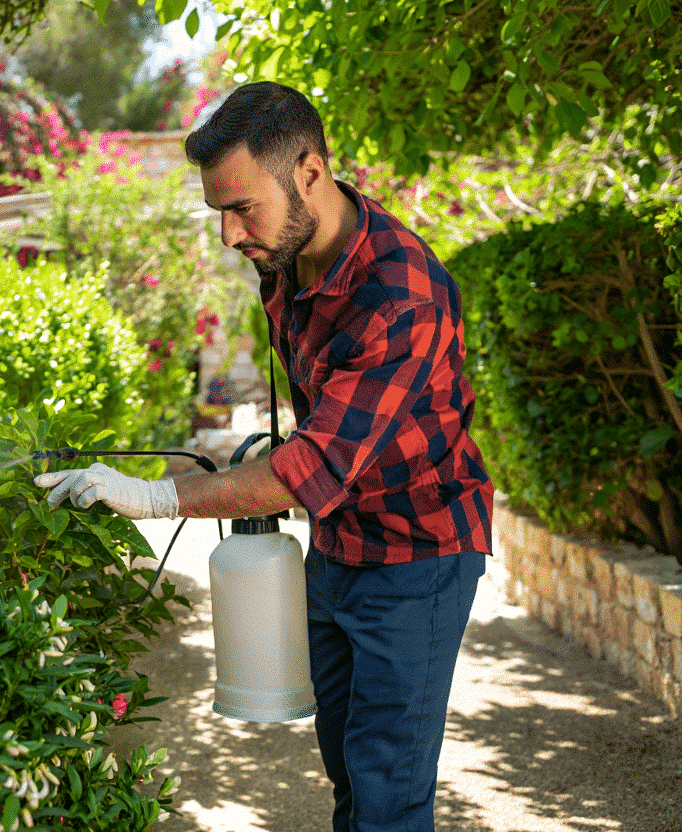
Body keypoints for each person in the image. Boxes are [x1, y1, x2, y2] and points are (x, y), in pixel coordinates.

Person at [34, 81, 494, 832]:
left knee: (387, 786)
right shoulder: (285, 259)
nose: (229, 235)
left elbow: (309, 469)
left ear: (309, 172)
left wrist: (155, 497)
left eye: (242, 207)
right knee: (346, 765)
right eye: (218, 211)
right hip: (339, 542)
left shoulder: (399, 294)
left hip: (418, 553)